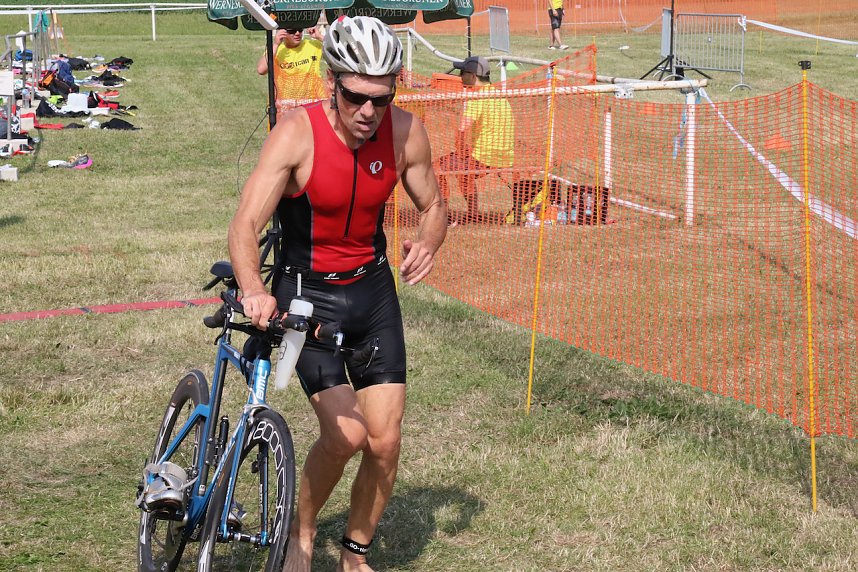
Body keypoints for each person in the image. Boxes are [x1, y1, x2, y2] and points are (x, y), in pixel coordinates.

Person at [229, 15, 447, 572]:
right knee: (347, 433)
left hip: (372, 295)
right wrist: (254, 289)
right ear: (334, 84)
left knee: (385, 441)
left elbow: (436, 206)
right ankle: (300, 532)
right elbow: (244, 225)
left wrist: (427, 238)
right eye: (355, 97)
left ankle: (355, 554)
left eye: (381, 97)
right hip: (307, 299)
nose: (368, 112)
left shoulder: (404, 132)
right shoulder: (296, 134)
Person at [436, 56, 514, 224]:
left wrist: (461, 148)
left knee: (436, 168)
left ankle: (443, 216)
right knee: (462, 172)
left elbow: (462, 128)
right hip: (504, 155)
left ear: (472, 76)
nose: (460, 77)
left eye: (462, 73)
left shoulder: (477, 97)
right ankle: (472, 214)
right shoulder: (498, 93)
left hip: (485, 156)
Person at [257, 25, 327, 115]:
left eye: (300, 29)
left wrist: (319, 37)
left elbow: (340, 51)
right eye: (292, 31)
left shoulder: (312, 45)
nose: (297, 33)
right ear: (283, 32)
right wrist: (275, 44)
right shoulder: (277, 50)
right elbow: (261, 70)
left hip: (310, 108)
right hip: (285, 111)